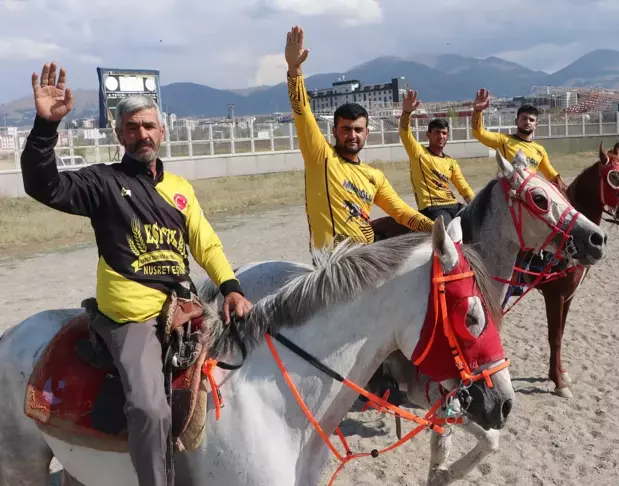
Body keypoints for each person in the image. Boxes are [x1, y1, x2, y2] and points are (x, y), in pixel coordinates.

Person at [21, 62, 253, 486]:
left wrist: (231, 288)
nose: (142, 133)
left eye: (148, 125)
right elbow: (44, 186)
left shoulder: (181, 189)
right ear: (119, 135)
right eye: (132, 127)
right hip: (132, 320)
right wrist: (44, 128)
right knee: (149, 408)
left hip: (184, 307)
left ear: (161, 131)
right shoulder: (102, 184)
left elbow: (206, 244)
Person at [284, 25, 434, 252]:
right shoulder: (321, 158)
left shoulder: (374, 177)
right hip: (332, 264)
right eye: (345, 129)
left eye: (357, 129)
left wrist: (436, 228)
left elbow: (401, 212)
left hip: (365, 257)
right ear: (335, 132)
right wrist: (294, 71)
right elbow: (302, 113)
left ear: (367, 133)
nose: (352, 135)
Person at [472, 88, 569, 194]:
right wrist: (477, 111)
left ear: (536, 125)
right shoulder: (503, 140)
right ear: (516, 121)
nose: (527, 122)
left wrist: (563, 185)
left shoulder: (540, 150)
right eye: (524, 118)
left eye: (531, 120)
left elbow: (551, 174)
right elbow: (479, 133)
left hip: (529, 195)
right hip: (508, 195)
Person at [399, 89, 474, 226]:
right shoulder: (418, 153)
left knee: (480, 223)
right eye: (437, 132)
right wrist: (407, 113)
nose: (441, 136)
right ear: (428, 135)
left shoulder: (450, 161)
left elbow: (463, 187)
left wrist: (475, 205)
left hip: (453, 205)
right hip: (432, 207)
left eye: (444, 133)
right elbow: (405, 133)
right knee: (449, 233)